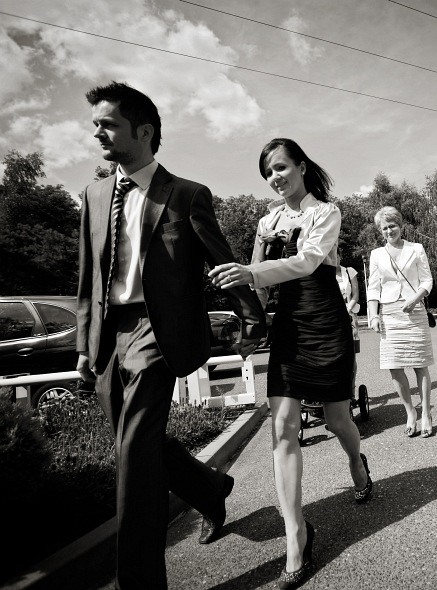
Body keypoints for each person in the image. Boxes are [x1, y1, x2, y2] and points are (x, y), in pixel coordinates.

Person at [76, 82, 266, 589]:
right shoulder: (94, 195)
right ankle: (210, 489)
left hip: (157, 332)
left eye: (108, 123)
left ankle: (139, 582)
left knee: (135, 463)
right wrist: (82, 344)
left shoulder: (185, 194)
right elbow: (87, 277)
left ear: (144, 131)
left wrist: (251, 319)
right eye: (95, 123)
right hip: (106, 335)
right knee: (136, 443)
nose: (97, 132)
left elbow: (220, 258)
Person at [209, 138, 371, 589]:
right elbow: (258, 281)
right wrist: (248, 322)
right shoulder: (267, 220)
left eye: (280, 167)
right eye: (267, 173)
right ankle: (296, 536)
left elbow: (308, 261)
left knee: (339, 419)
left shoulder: (326, 212)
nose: (274, 178)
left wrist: (252, 272)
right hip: (288, 329)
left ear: (300, 166)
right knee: (281, 428)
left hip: (324, 322)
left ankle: (358, 463)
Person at [366, 206, 435, 437]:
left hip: (414, 312)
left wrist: (415, 299)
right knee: (394, 367)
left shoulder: (416, 249)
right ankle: (410, 412)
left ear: (401, 225)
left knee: (419, 364)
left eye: (392, 226)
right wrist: (373, 315)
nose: (388, 231)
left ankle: (425, 412)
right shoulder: (377, 254)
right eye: (384, 228)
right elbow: (373, 288)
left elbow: (427, 281)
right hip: (389, 314)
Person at [337, 264, 361, 390]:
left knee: (351, 355)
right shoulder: (323, 272)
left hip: (349, 314)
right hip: (331, 316)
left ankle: (351, 387)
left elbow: (356, 295)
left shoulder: (349, 271)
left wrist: (346, 309)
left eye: (336, 256)